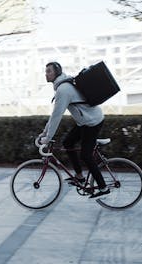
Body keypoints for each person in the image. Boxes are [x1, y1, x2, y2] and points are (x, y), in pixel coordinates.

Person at [38, 62, 109, 198]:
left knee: (85, 155)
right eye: (45, 71)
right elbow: (55, 115)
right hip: (85, 121)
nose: (46, 74)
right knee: (68, 143)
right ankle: (80, 176)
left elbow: (57, 116)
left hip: (92, 122)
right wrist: (45, 132)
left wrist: (47, 138)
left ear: (57, 73)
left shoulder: (63, 90)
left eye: (49, 71)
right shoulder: (63, 86)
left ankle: (103, 187)